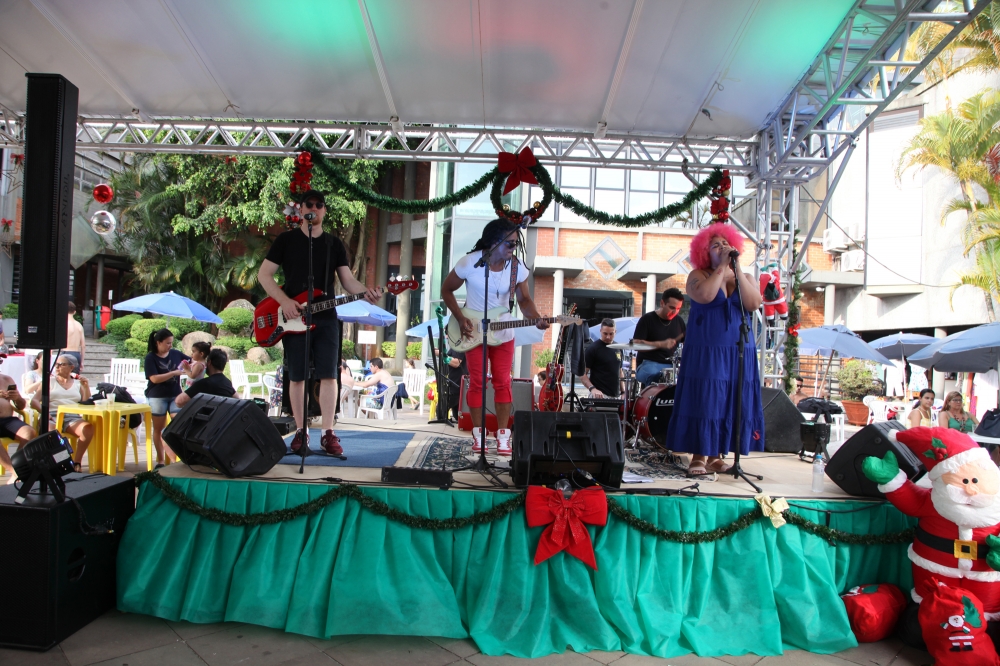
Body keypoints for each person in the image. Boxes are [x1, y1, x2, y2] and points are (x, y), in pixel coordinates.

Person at [257, 189, 380, 455]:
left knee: (329, 375)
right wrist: (285, 302)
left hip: (326, 318)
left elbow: (348, 281)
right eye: (309, 204)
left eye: (319, 205)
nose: (314, 208)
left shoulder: (333, 244)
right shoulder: (286, 240)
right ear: (301, 209)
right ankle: (301, 432)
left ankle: (328, 432)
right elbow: (264, 275)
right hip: (293, 318)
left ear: (324, 210)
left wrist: (367, 292)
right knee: (297, 376)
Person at [441, 217, 547, 456]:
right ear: (494, 242)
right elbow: (446, 289)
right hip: (473, 331)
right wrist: (460, 317)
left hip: (503, 333)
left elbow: (524, 300)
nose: (513, 248)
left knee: (503, 382)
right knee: (477, 382)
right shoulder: (470, 262)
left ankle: (503, 436)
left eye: (516, 244)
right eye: (510, 243)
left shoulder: (517, 268)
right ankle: (479, 435)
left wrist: (537, 317)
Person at [666, 223, 764, 477]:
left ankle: (716, 456)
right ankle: (698, 455)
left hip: (738, 350)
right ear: (704, 252)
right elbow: (706, 296)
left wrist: (736, 268)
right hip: (707, 350)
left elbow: (754, 303)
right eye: (715, 245)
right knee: (706, 399)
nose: (722, 248)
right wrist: (721, 267)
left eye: (726, 244)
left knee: (731, 399)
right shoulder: (697, 275)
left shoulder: (745, 277)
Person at [30, 354, 92, 473]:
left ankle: (77, 462)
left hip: (72, 416)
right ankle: (63, 462)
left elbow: (86, 403)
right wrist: (44, 412)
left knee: (87, 428)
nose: (57, 367)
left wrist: (85, 387)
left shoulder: (78, 383)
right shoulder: (49, 381)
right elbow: (34, 401)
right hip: (52, 414)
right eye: (56, 365)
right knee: (52, 433)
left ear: (71, 367)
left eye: (61, 364)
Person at [143, 328, 191, 467]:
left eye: (171, 343)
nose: (170, 345)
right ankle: (160, 460)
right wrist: (173, 373)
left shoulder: (176, 354)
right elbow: (154, 379)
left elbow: (191, 361)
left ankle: (177, 458)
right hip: (157, 396)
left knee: (179, 423)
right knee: (159, 429)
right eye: (167, 343)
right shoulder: (150, 358)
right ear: (158, 343)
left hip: (175, 395)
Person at [633, 288, 686, 385]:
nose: (675, 312)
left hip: (672, 365)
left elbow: (685, 344)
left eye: (678, 308)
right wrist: (661, 344)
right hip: (648, 363)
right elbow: (636, 344)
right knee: (655, 375)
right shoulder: (647, 319)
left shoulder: (679, 321)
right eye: (672, 307)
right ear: (662, 303)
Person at [0, 367, 35, 484]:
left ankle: (18, 467)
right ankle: (15, 472)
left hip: (7, 420)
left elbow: (21, 406)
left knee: (29, 432)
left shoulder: (7, 379)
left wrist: (17, 398)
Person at [581, 318, 621, 399]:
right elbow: (582, 374)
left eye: (611, 334)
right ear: (600, 331)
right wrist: (592, 389)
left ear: (615, 332)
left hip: (616, 396)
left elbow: (620, 370)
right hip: (599, 395)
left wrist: (623, 392)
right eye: (605, 333)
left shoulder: (618, 348)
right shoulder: (593, 349)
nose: (608, 337)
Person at [445, 349, 467, 421]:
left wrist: (441, 355)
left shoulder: (459, 347)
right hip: (454, 382)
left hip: (457, 384)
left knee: (442, 410)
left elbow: (457, 363)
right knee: (457, 416)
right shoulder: (454, 347)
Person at [65, 301, 86, 371]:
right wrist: (82, 362)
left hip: (65, 352)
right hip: (76, 354)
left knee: (63, 375)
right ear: (74, 312)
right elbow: (83, 346)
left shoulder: (64, 324)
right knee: (75, 376)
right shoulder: (79, 325)